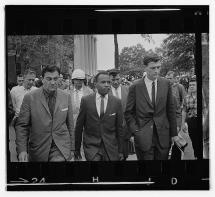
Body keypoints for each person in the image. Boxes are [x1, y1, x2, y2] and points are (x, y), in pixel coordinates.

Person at [15, 65, 75, 162]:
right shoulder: (30, 97)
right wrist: (22, 150)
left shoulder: (66, 96)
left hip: (61, 147)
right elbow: (22, 126)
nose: (52, 82)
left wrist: (72, 148)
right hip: (39, 148)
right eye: (49, 79)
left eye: (55, 79)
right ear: (42, 79)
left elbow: (70, 125)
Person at [125, 55, 179, 160]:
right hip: (143, 136)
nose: (156, 71)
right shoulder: (135, 86)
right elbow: (128, 112)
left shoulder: (166, 83)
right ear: (145, 68)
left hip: (163, 135)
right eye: (153, 68)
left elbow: (170, 110)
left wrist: (174, 134)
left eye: (158, 67)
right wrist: (136, 131)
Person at [74, 71, 124, 161]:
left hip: (111, 148)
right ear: (95, 84)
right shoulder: (86, 101)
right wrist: (76, 149)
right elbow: (79, 126)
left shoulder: (116, 102)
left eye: (109, 82)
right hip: (92, 147)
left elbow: (119, 128)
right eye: (103, 82)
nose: (107, 85)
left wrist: (121, 150)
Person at [108, 69, 131, 160]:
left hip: (125, 129)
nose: (116, 82)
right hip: (110, 130)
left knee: (124, 156)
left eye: (117, 79)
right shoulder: (105, 91)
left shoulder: (128, 90)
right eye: (113, 80)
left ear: (120, 78)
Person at [181, 76, 200, 159]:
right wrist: (182, 124)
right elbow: (184, 111)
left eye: (193, 85)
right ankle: (196, 156)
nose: (191, 86)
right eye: (190, 85)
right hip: (191, 121)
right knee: (194, 140)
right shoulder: (186, 98)